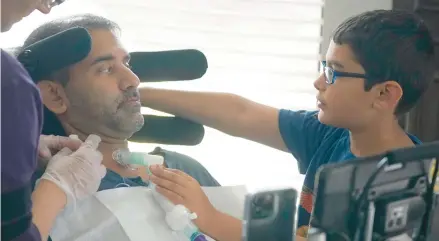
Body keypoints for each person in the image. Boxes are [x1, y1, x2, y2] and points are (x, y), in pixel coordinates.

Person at [141, 9, 436, 240]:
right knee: (177, 163)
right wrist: (139, 94)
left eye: (334, 73)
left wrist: (209, 218)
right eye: (324, 67)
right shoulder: (331, 134)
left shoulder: (400, 187)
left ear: (384, 94)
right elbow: (240, 113)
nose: (319, 82)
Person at [17, 13, 220, 192]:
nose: (133, 80)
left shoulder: (183, 170)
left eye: (127, 63)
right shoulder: (45, 198)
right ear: (55, 96)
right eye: (105, 69)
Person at [1, 1, 106, 241]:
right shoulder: (8, 84)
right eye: (105, 69)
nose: (44, 8)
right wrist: (55, 191)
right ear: (54, 94)